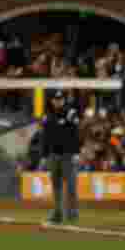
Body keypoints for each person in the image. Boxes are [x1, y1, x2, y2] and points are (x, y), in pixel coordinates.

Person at [42, 90, 81, 224]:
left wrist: (76, 152)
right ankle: (57, 213)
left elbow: (75, 134)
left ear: (64, 100)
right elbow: (46, 138)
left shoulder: (70, 113)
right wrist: (44, 155)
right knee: (56, 186)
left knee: (71, 185)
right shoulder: (47, 116)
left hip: (67, 155)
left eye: (60, 99)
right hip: (54, 155)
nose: (58, 101)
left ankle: (72, 213)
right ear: (52, 101)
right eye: (56, 99)